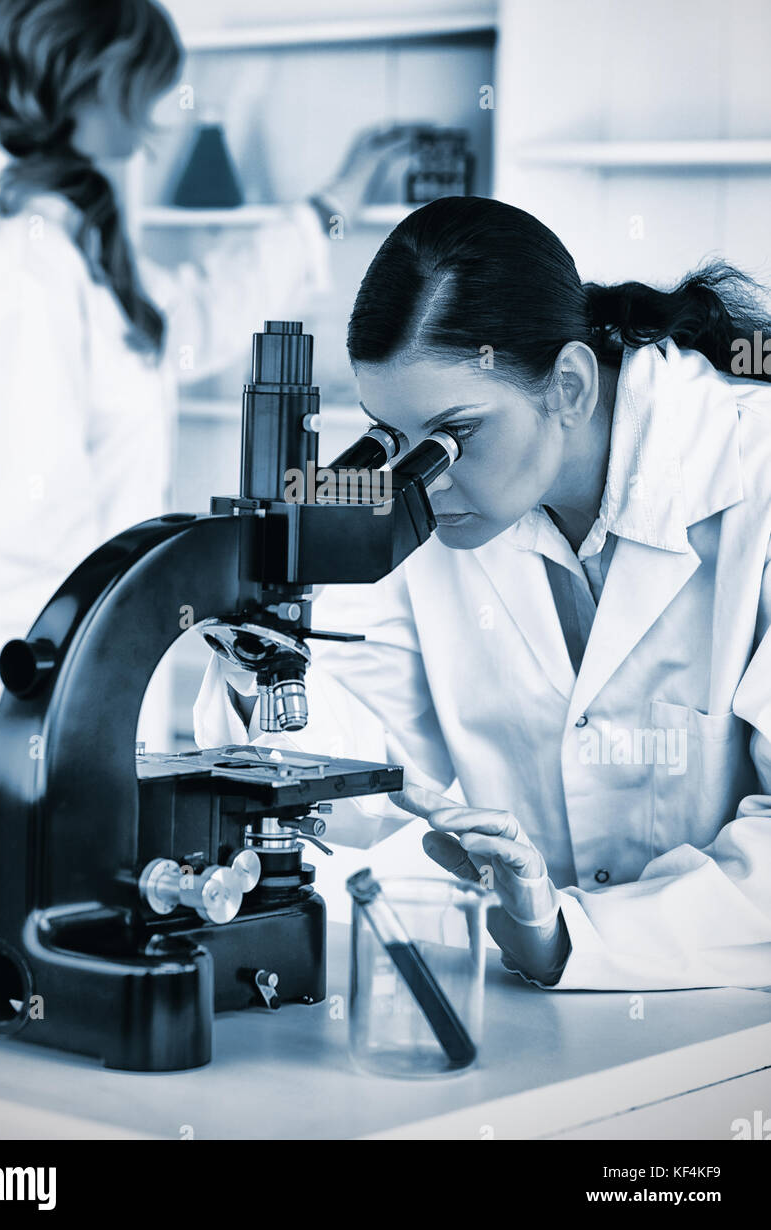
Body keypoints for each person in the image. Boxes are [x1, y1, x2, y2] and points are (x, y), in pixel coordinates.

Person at [195, 194, 771, 992]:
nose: (421, 479)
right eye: (394, 440)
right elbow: (354, 770)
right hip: (548, 1015)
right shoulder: (450, 508)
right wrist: (258, 642)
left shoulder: (756, 479)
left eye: (452, 436)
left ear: (568, 386)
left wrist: (567, 936)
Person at [0, 0, 412, 853]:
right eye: (141, 87)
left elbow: (181, 326)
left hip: (67, 711)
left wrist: (329, 208)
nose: (150, 120)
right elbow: (14, 547)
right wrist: (82, 744)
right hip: (24, 732)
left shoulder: (67, 235)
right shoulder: (18, 267)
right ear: (82, 78)